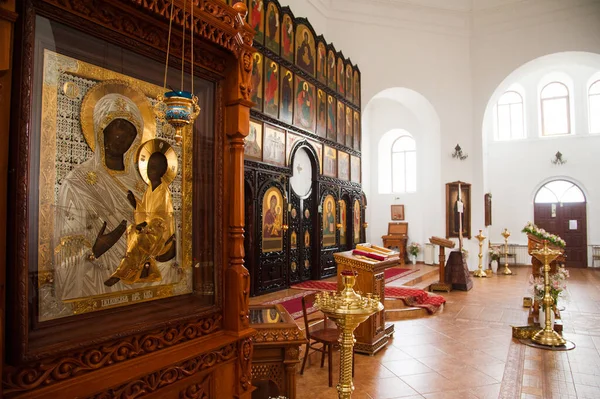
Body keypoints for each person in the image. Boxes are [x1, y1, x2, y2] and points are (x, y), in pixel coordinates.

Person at [54, 93, 145, 301]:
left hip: (136, 284)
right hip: (94, 280)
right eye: (117, 125)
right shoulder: (77, 181)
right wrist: (97, 247)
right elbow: (67, 249)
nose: (122, 135)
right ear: (101, 128)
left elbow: (155, 234)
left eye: (130, 129)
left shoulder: (141, 185)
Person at [104, 147, 176, 287]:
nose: (151, 171)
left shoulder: (163, 191)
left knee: (141, 237)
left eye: (155, 167)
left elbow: (162, 218)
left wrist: (147, 226)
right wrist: (134, 204)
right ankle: (139, 270)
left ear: (162, 171)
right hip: (150, 229)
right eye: (149, 167)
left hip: (161, 234)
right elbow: (144, 211)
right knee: (132, 229)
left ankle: (121, 273)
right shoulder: (149, 189)